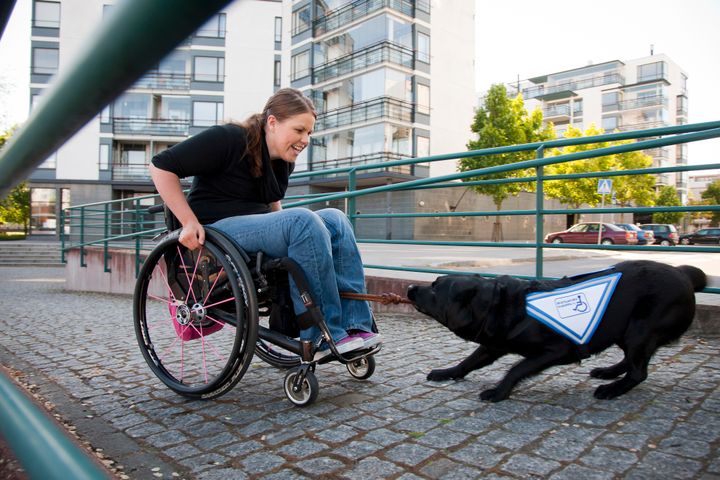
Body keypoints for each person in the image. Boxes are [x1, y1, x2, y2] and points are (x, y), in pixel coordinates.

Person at [149, 88, 379, 360]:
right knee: (304, 220)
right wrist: (187, 222)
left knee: (335, 219)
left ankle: (356, 327)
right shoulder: (229, 138)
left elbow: (274, 208)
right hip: (216, 231)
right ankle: (323, 334)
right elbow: (160, 166)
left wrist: (295, 229)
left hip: (252, 228)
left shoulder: (282, 159)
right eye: (299, 130)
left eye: (309, 133)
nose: (305, 140)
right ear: (273, 123)